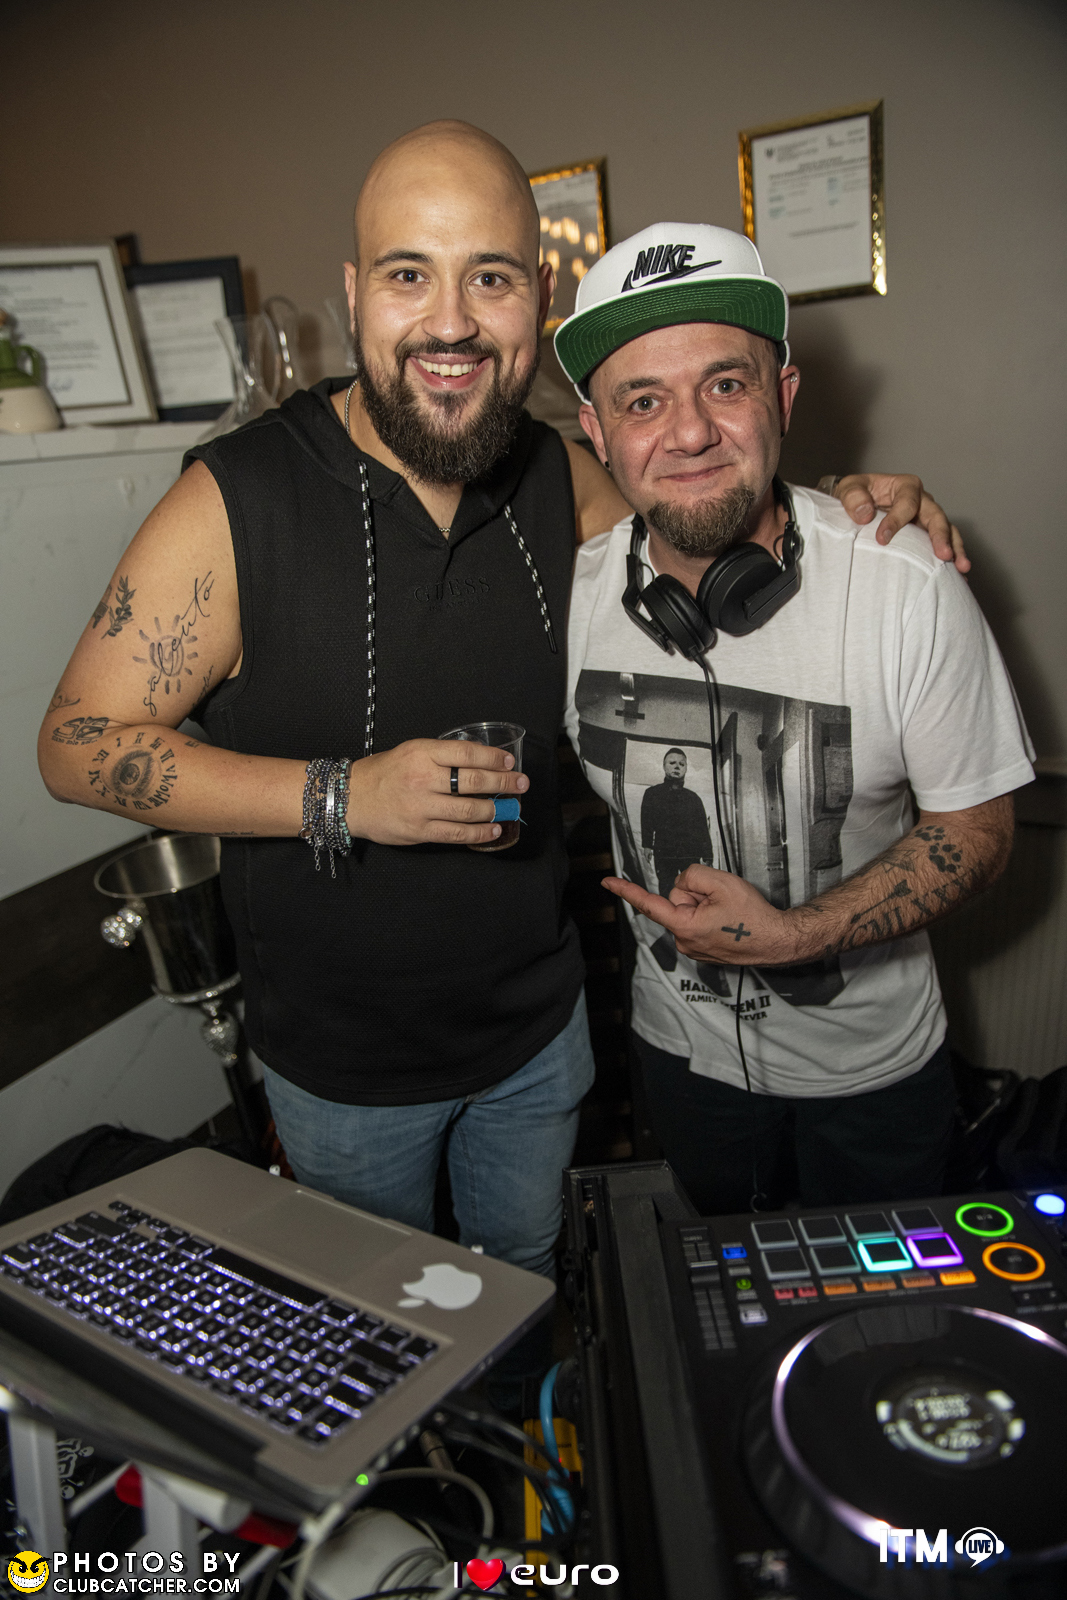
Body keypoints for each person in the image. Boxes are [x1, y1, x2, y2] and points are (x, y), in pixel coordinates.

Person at [38, 125, 962, 1362]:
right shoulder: (236, 499)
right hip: (345, 1073)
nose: (450, 321)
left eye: (489, 276)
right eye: (407, 274)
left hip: (540, 1040)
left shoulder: (558, 476)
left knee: (524, 1306)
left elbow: (701, 501)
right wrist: (341, 796)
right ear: (354, 294)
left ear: (537, 294)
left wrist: (857, 509)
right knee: (377, 1342)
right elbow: (77, 741)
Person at [559, 221, 1034, 1215]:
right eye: (641, 400)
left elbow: (977, 829)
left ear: (780, 396)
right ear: (596, 434)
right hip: (677, 1060)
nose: (689, 432)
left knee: (882, 1307)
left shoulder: (904, 586)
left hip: (872, 1080)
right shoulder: (566, 597)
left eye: (724, 384)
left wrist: (793, 936)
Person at [641, 748, 713, 898]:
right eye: (672, 762)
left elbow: (702, 829)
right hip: (664, 853)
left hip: (689, 853)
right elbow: (647, 821)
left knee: (693, 892)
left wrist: (708, 856)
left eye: (681, 764)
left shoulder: (693, 798)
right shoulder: (652, 794)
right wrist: (647, 845)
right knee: (667, 892)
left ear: (686, 768)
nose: (677, 767)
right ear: (664, 766)